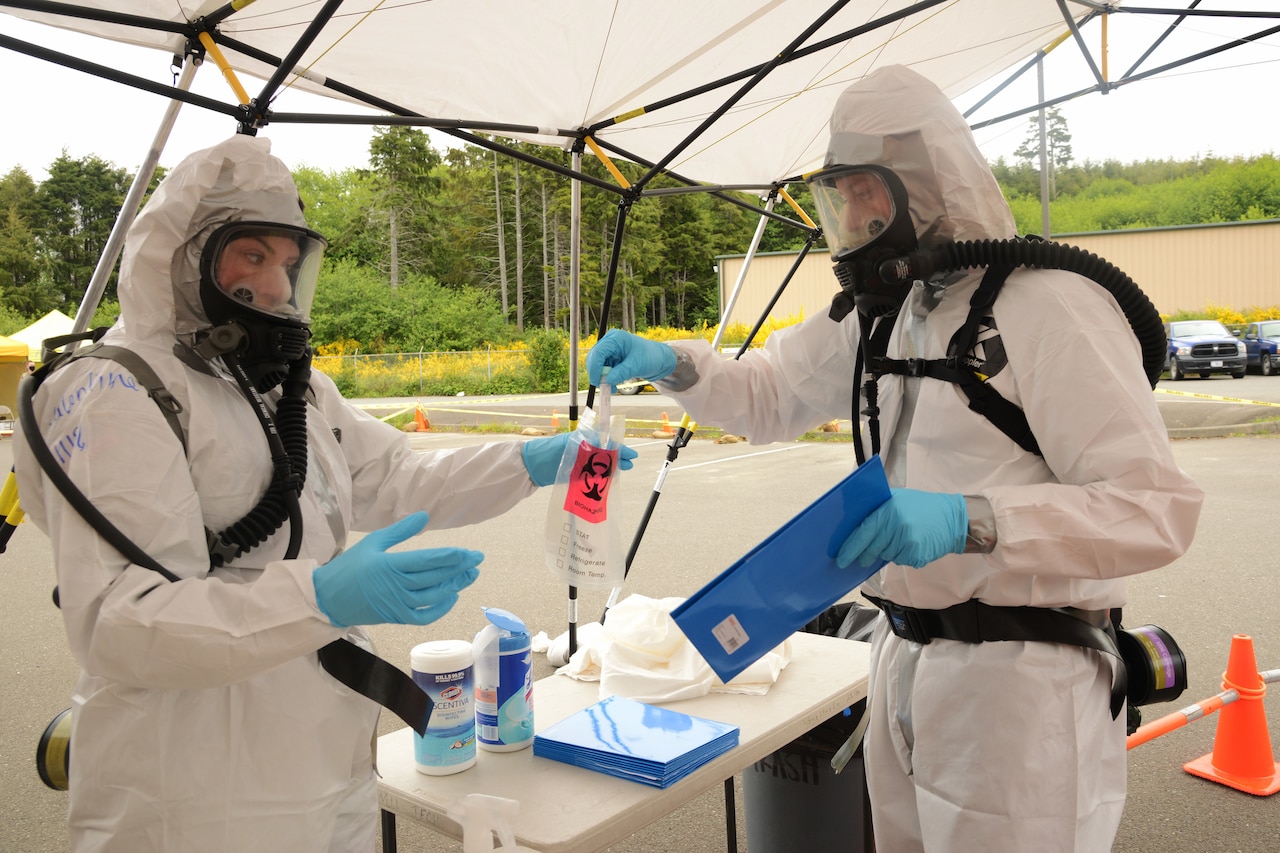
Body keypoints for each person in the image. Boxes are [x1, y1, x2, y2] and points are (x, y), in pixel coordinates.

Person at [587, 66, 1203, 852]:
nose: (848, 216)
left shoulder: (1050, 304)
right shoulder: (887, 313)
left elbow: (1154, 506)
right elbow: (770, 393)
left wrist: (970, 521)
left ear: (922, 181)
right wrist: (672, 363)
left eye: (861, 193)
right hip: (902, 659)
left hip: (1020, 686)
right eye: (837, 196)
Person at [14, 134, 632, 853]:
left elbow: (394, 478)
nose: (277, 287)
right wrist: (321, 597)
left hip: (318, 753)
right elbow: (121, 624)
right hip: (193, 785)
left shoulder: (283, 386)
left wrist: (531, 462)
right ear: (188, 258)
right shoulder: (118, 392)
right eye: (253, 255)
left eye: (288, 261)